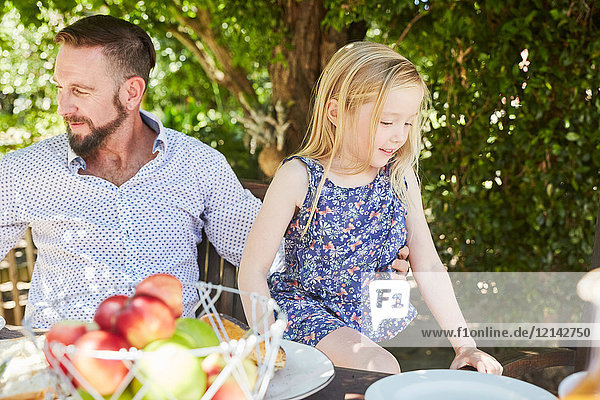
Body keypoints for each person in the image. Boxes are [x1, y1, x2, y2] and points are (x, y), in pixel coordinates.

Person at [238, 41, 503, 374]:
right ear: (336, 113)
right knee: (379, 366)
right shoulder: (299, 176)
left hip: (363, 321)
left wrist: (465, 346)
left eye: (407, 123)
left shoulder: (400, 179)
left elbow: (429, 265)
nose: (399, 137)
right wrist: (267, 342)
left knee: (372, 371)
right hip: (301, 313)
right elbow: (252, 269)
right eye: (386, 122)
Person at [0, 15, 263, 327]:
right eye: (60, 87)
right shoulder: (25, 170)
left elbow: (266, 258)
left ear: (132, 92)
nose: (63, 107)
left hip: (168, 363)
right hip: (60, 364)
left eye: (80, 91)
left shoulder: (199, 165)